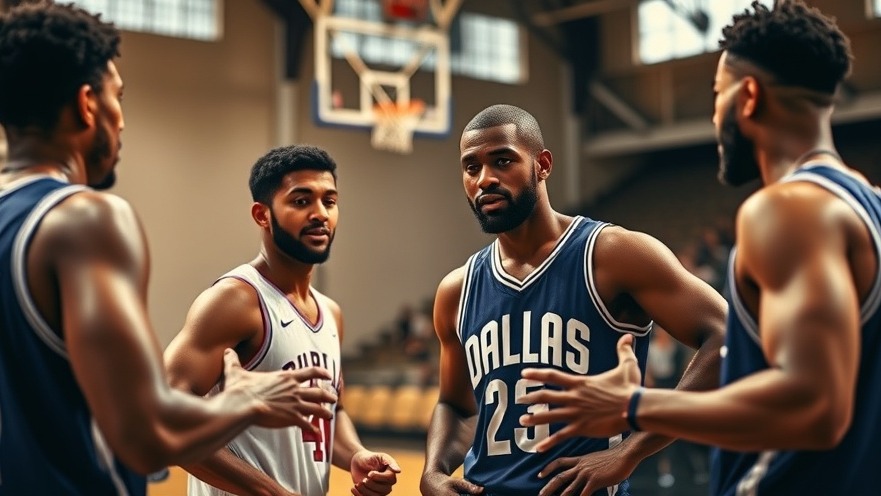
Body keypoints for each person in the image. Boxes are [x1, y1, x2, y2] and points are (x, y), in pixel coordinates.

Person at [519, 1, 881, 494]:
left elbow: (813, 407)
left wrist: (633, 406)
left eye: (717, 94)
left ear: (748, 96)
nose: (714, 115)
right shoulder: (867, 206)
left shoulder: (789, 209)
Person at [0, 3, 337, 495]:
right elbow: (146, 435)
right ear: (87, 104)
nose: (121, 121)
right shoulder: (85, 220)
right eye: (118, 97)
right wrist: (245, 400)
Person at [419, 103, 728, 496]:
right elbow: (458, 406)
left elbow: (726, 334)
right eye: (471, 167)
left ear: (542, 165)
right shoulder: (457, 290)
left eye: (502, 161)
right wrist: (433, 471)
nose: (485, 179)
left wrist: (630, 451)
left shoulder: (612, 254)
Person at [163, 145, 401, 496]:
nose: (320, 214)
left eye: (330, 201)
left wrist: (356, 454)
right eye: (301, 201)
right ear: (262, 215)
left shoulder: (330, 313)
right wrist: (272, 492)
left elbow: (330, 411)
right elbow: (165, 419)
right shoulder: (235, 300)